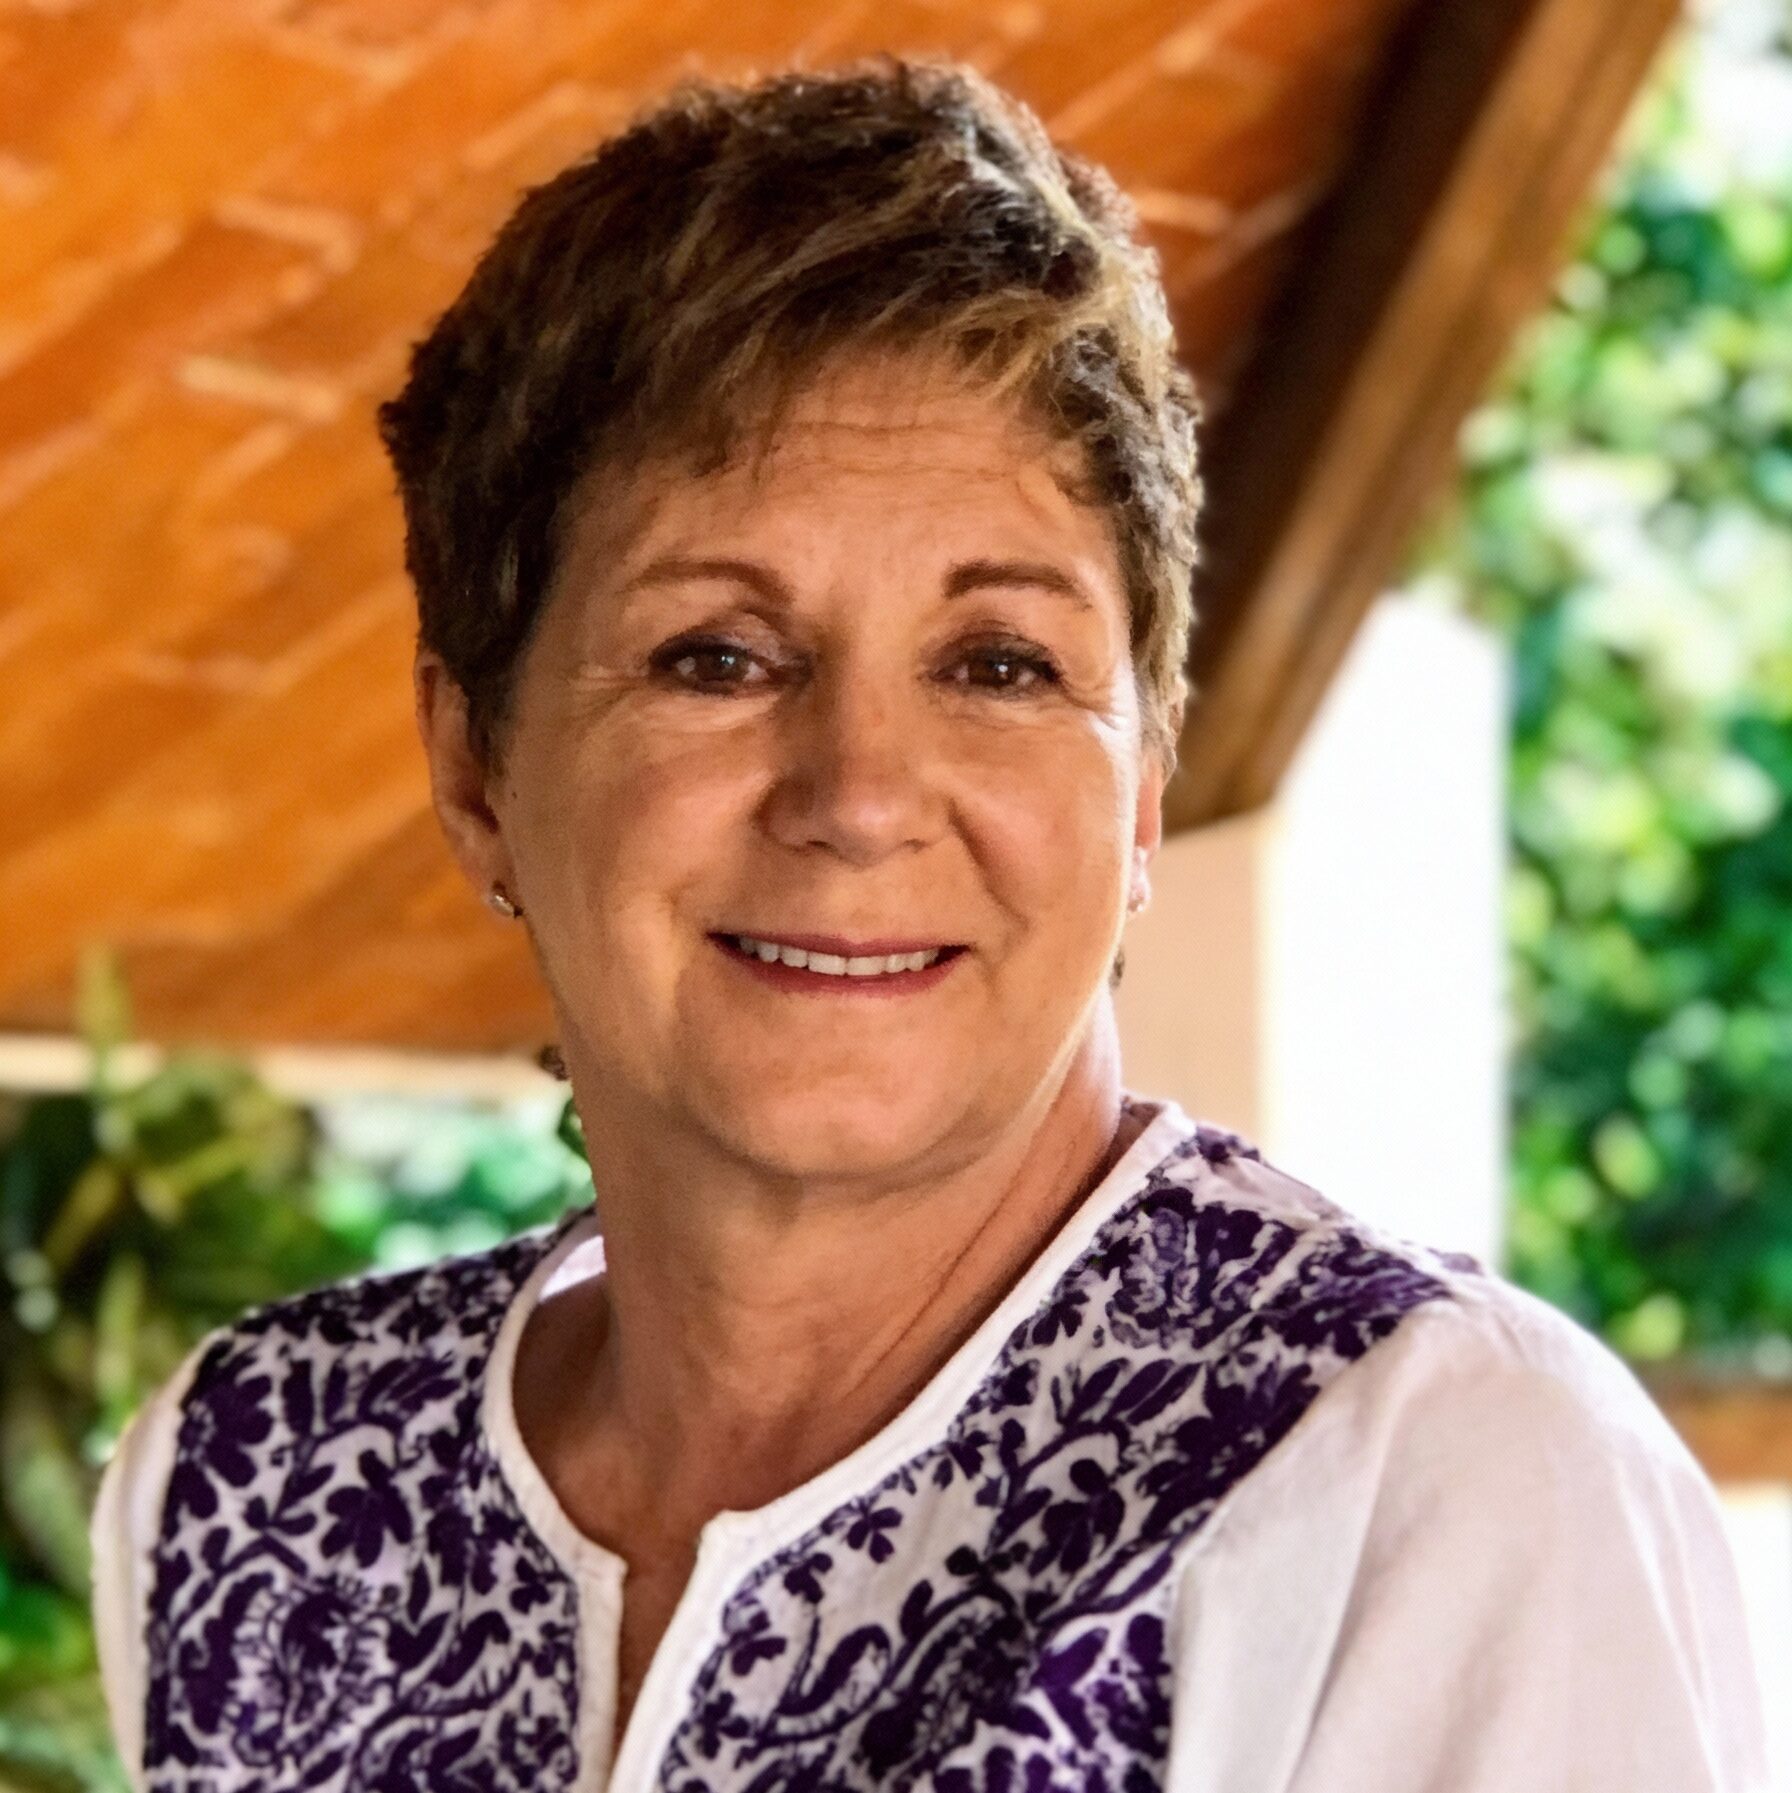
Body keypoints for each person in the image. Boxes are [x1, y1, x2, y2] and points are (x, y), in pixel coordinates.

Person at [89, 53, 1767, 1793]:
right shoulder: (245, 1485)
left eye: (999, 664)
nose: (862, 792)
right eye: (717, 656)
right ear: (476, 767)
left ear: (1140, 787)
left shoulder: (1432, 1487)